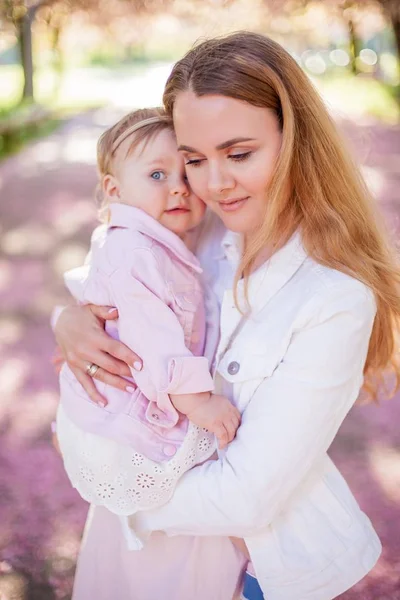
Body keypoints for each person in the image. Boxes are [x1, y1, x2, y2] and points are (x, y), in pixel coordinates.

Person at [53, 32, 400, 600]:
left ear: (296, 142)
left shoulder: (335, 297)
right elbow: (114, 278)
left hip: (242, 563)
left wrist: (113, 489)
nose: (213, 184)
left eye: (239, 154)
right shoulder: (195, 226)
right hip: (138, 543)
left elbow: (246, 496)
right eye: (193, 160)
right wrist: (70, 323)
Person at [55, 106, 241, 549]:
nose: (178, 188)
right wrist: (198, 403)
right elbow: (154, 342)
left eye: (186, 173)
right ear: (114, 190)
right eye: (157, 176)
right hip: (126, 422)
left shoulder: (157, 243)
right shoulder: (136, 251)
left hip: (128, 409)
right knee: (156, 517)